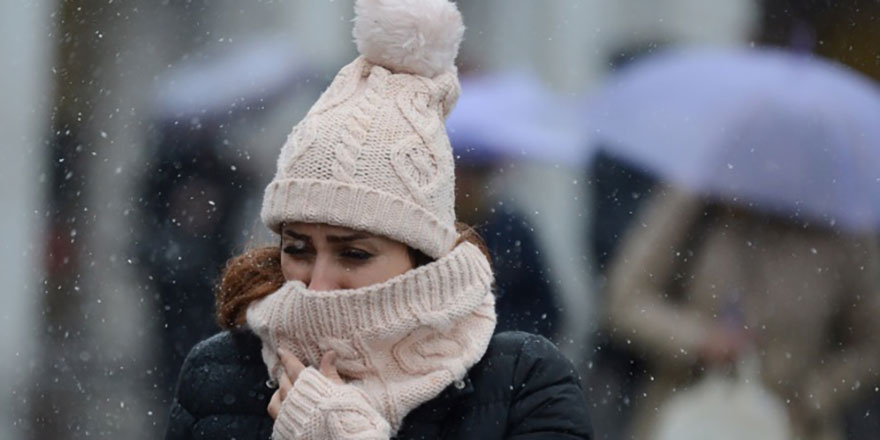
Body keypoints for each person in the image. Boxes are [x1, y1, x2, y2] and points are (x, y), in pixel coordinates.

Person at [164, 1, 593, 439]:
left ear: (422, 256)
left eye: (353, 253)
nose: (317, 284)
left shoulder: (522, 381)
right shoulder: (219, 374)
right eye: (297, 248)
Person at [606, 186, 880, 440]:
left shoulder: (846, 221)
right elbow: (625, 300)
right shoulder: (700, 198)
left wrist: (811, 396)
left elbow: (872, 344)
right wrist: (700, 339)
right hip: (691, 416)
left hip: (792, 428)